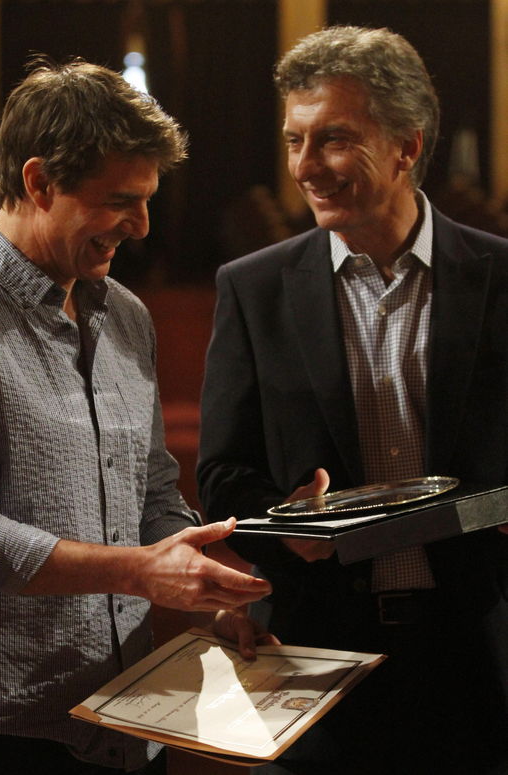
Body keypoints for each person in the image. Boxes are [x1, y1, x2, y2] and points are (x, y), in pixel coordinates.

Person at [0, 57, 272, 775]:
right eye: (121, 200)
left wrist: (204, 587)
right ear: (38, 182)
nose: (142, 226)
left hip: (130, 717)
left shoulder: (126, 315)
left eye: (147, 201)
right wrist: (142, 574)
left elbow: (151, 490)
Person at [197, 26, 508, 775]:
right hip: (315, 659)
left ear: (407, 145)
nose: (305, 167)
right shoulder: (253, 288)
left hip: (478, 653)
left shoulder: (500, 279)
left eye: (333, 140)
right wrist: (286, 523)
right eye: (294, 140)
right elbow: (222, 477)